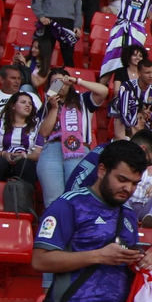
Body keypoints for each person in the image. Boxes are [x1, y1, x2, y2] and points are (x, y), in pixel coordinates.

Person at [32, 140, 152, 302]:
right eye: (122, 180)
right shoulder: (69, 205)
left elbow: (126, 262)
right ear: (102, 170)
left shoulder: (128, 214)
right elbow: (39, 260)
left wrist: (141, 260)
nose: (128, 188)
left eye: (135, 183)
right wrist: (98, 256)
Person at [36, 69, 110, 206]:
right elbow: (44, 132)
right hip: (52, 149)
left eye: (62, 81)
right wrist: (53, 108)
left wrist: (77, 81)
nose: (60, 85)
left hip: (78, 149)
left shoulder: (83, 99)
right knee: (53, 201)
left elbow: (104, 91)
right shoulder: (46, 105)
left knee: (76, 198)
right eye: (55, 82)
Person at [0, 90, 44, 190]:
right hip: (1, 159)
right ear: (13, 106)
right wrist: (4, 154)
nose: (28, 105)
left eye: (30, 103)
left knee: (25, 164)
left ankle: (24, 198)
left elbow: (37, 154)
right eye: (23, 102)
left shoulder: (38, 125)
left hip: (25, 160)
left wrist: (23, 156)